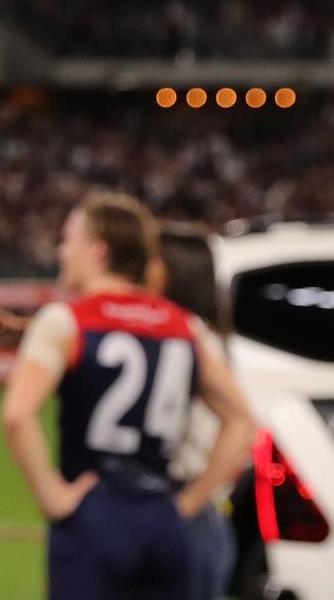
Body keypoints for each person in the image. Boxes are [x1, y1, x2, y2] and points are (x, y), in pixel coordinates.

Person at [0, 192, 253, 599]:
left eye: (68, 240)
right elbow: (241, 419)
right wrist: (191, 501)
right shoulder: (185, 326)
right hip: (166, 516)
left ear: (98, 250)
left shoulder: (67, 321)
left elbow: (16, 416)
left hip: (95, 516)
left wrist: (54, 497)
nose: (61, 252)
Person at [150, 224, 239, 600]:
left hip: (184, 513)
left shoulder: (191, 339)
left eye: (150, 259)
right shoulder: (190, 336)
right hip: (189, 517)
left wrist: (188, 504)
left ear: (172, 272)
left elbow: (240, 429)